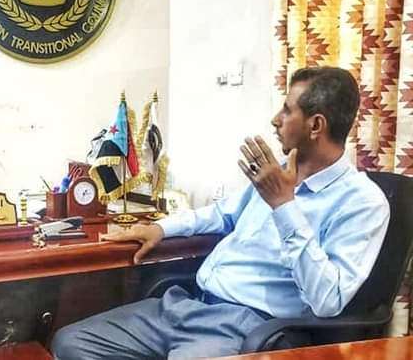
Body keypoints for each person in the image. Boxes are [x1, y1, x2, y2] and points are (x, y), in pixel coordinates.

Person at [51, 66, 390, 359]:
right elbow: (221, 214)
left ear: (316, 126)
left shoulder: (362, 202)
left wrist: (284, 205)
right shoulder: (278, 170)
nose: (275, 120)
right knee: (71, 343)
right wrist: (161, 229)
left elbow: (327, 301)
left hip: (248, 326)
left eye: (287, 110)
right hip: (187, 305)